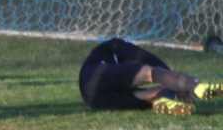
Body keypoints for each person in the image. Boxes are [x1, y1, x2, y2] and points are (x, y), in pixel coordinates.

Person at [79, 37, 221, 116]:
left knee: (156, 89)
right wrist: (178, 83)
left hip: (93, 100)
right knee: (152, 73)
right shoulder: (112, 46)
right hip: (95, 77)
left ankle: (162, 100)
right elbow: (143, 57)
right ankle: (197, 86)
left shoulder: (111, 63)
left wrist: (174, 85)